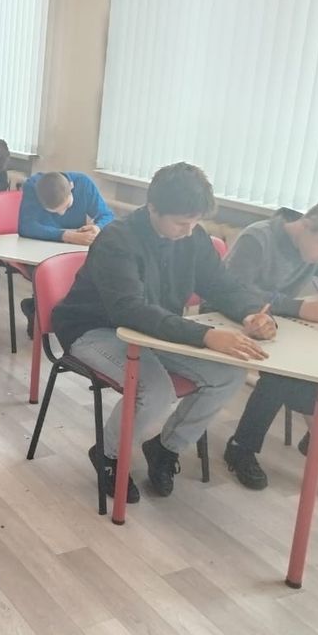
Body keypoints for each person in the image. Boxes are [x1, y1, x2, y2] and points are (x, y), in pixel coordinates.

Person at [51, 162, 276, 502]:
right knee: (154, 389)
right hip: (95, 328)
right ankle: (108, 455)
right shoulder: (118, 239)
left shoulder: (193, 236)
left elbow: (221, 285)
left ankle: (165, 448)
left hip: (153, 330)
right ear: (152, 207)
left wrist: (251, 313)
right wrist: (204, 336)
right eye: (181, 222)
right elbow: (130, 310)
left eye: (195, 222)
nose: (189, 230)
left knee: (229, 374)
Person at [221, 197, 318, 489]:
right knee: (285, 372)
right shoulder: (258, 239)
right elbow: (232, 291)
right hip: (229, 318)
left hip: (275, 325)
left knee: (301, 364)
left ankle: (252, 445)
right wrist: (299, 308)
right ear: (308, 224)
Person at [18, 170, 115, 336]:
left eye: (67, 207)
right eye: (53, 211)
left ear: (71, 187)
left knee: (91, 274)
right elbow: (26, 226)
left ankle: (51, 312)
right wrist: (65, 235)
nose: (61, 214)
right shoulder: (33, 187)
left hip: (73, 250)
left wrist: (98, 227)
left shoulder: (83, 183)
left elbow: (107, 215)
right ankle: (38, 309)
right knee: (48, 276)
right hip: (41, 250)